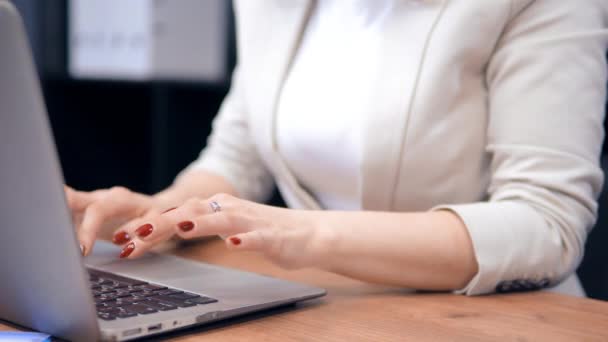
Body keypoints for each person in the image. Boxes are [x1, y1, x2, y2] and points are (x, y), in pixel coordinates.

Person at [66, 0, 608, 295]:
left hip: (494, 320)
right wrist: (164, 212)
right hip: (331, 310)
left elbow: (545, 224)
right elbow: (238, 156)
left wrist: (302, 234)